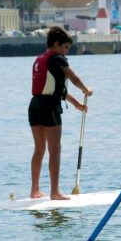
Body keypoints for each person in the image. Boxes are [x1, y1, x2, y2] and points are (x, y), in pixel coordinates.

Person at [28, 27, 93, 200]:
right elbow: (74, 79)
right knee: (55, 150)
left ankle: (35, 190)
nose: (67, 51)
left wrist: (76, 104)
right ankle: (55, 192)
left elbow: (57, 89)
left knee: (39, 149)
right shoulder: (57, 59)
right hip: (49, 108)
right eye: (65, 47)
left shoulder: (40, 59)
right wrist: (85, 90)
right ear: (56, 44)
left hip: (34, 106)